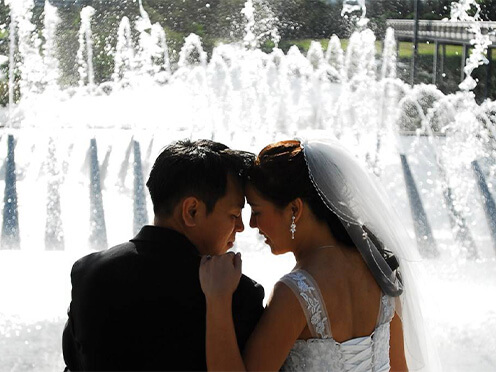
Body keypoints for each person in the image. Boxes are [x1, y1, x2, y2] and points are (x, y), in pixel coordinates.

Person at [200, 139, 435, 371]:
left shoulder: (296, 293)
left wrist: (217, 299)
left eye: (257, 210)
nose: (252, 223)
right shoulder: (379, 267)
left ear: (294, 209)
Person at [62, 139, 265, 371]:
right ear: (192, 211)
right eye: (234, 213)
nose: (241, 226)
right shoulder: (237, 296)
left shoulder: (88, 271)